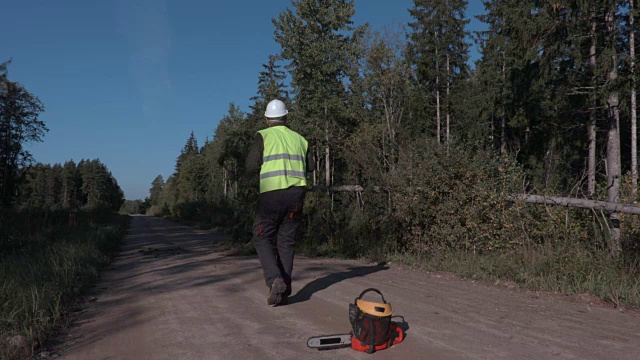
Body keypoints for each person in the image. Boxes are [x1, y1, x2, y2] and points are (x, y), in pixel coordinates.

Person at [245, 99, 314, 306]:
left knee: (262, 236)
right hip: (296, 195)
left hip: (272, 195)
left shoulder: (263, 136)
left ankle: (275, 279)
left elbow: (250, 166)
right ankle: (283, 290)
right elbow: (310, 167)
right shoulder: (300, 139)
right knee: (286, 241)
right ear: (286, 117)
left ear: (267, 119)